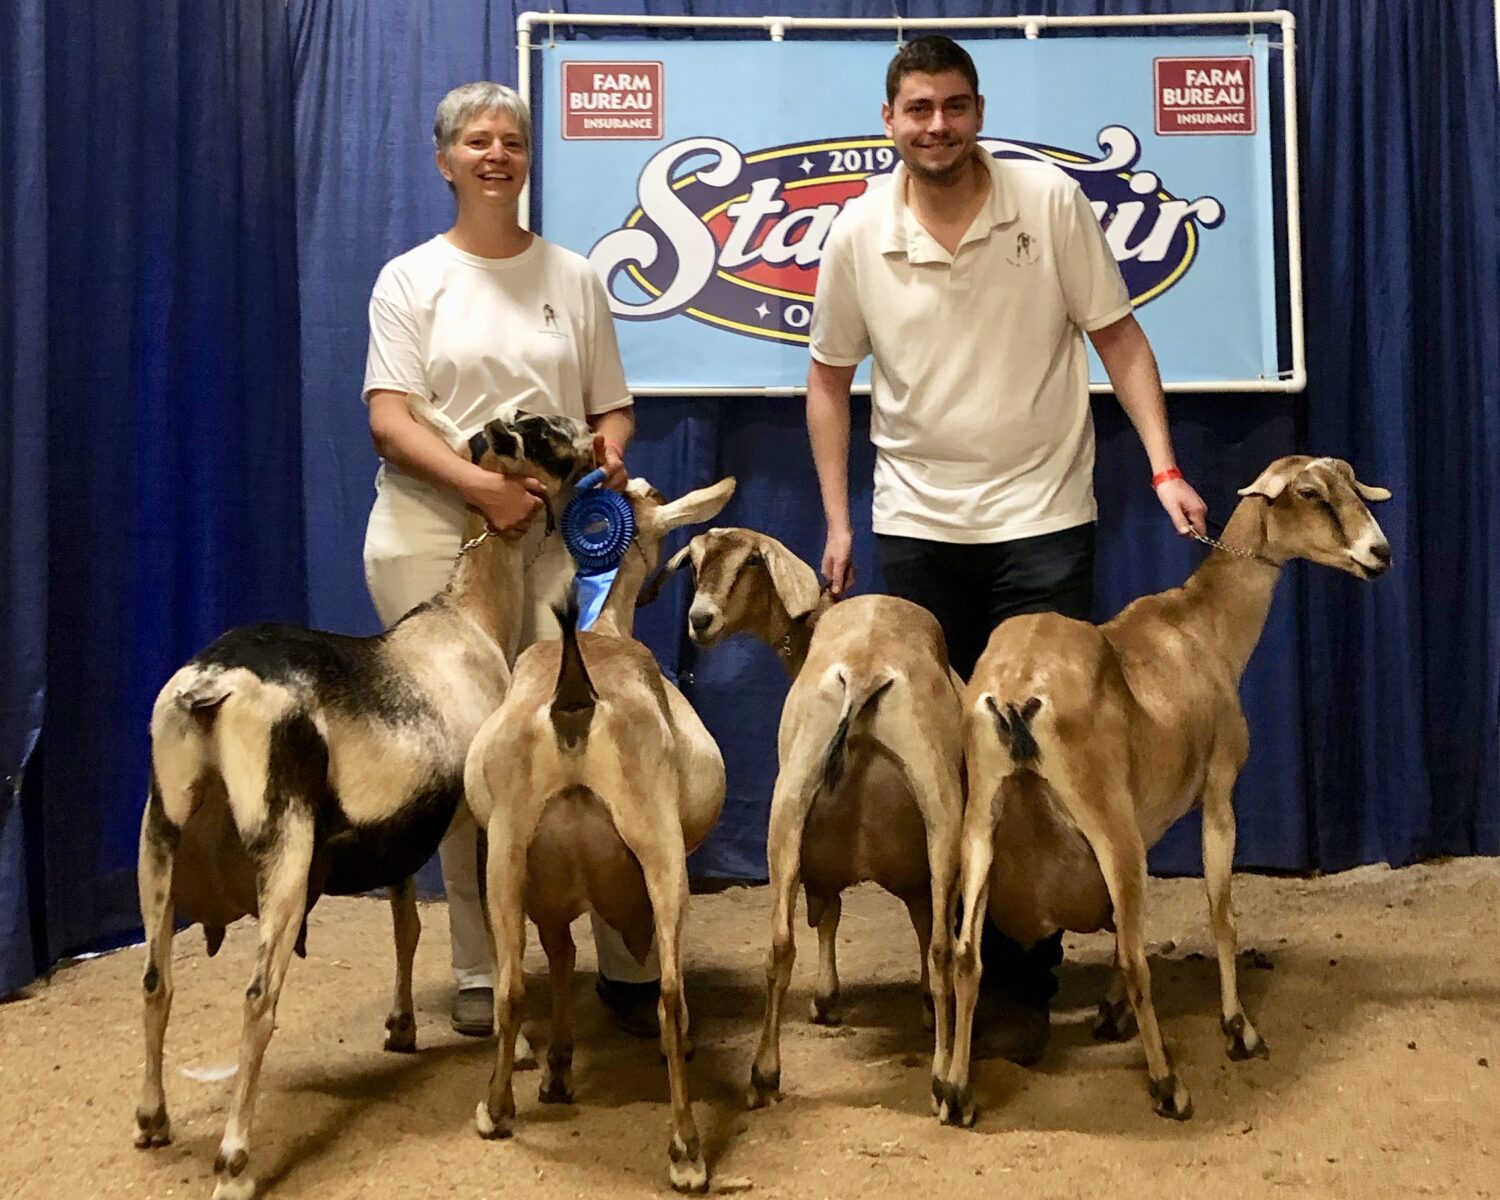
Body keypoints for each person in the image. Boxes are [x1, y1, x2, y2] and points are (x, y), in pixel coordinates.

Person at [806, 36, 1208, 1065]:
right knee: (943, 755)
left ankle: (1028, 976)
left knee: (1041, 754)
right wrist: (841, 522)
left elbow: (1120, 339)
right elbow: (829, 380)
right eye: (917, 109)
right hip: (917, 526)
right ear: (889, 121)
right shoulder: (857, 232)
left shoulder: (1051, 203)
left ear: (978, 112)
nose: (936, 125)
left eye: (953, 106)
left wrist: (1164, 469)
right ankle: (958, 964)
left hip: (1044, 518)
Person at [361, 82, 660, 1042]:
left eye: (512, 141)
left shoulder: (573, 277)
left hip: (555, 536)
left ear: (529, 160)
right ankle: (483, 968)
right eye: (477, 141)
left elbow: (611, 409)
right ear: (444, 161)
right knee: (466, 754)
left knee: (586, 731)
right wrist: (481, 490)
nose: (496, 154)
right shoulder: (410, 280)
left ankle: (628, 955)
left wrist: (605, 455)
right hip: (434, 532)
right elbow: (391, 418)